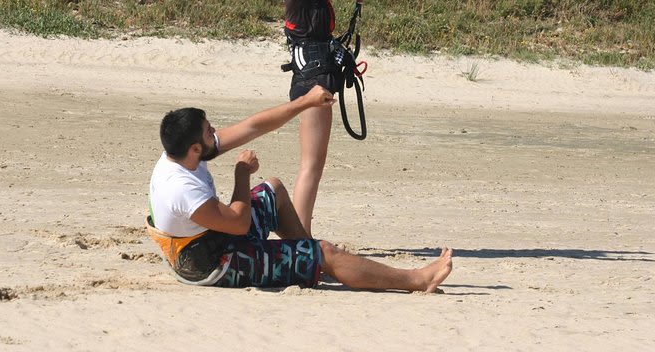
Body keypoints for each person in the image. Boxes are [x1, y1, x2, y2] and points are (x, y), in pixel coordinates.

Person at [147, 85, 453, 291]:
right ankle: (414, 279)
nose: (215, 132)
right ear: (195, 149)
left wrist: (305, 102)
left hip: (215, 237)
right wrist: (241, 174)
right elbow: (239, 224)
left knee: (274, 189)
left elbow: (253, 126)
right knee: (324, 251)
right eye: (209, 131)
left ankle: (317, 264)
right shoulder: (181, 187)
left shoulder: (184, 153)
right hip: (213, 265)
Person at [281, 0, 392, 236]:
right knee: (311, 165)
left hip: (316, 71)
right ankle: (300, 239)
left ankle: (300, 235)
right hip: (311, 78)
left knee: (313, 164)